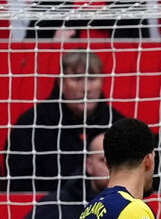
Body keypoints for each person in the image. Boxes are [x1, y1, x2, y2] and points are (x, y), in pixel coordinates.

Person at [3, 51, 125, 195]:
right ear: (61, 82)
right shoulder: (32, 123)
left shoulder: (119, 125)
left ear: (102, 82)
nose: (86, 88)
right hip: (47, 211)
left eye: (92, 78)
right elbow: (18, 182)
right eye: (77, 78)